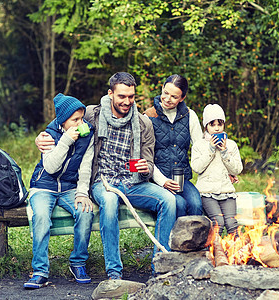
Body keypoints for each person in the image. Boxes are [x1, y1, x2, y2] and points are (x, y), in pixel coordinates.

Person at [36, 72, 177, 280]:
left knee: (169, 200)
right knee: (109, 201)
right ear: (110, 93)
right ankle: (114, 272)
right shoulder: (93, 113)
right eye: (121, 96)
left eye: (131, 96)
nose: (127, 101)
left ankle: (160, 267)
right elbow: (64, 119)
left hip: (132, 182)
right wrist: (42, 137)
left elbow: (148, 159)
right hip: (102, 182)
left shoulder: (143, 123)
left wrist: (144, 167)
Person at [24, 93, 95, 289]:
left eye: (81, 118)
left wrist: (82, 192)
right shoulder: (49, 135)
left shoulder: (87, 134)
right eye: (75, 120)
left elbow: (86, 166)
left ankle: (78, 262)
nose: (80, 123)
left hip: (69, 187)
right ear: (63, 121)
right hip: (43, 186)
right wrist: (65, 141)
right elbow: (51, 168)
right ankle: (40, 271)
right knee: (40, 217)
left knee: (85, 212)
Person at [144, 74, 203, 218]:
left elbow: (201, 148)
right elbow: (145, 156)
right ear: (162, 88)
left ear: (182, 98)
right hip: (158, 180)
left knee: (196, 204)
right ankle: (176, 240)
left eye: (174, 97)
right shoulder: (148, 117)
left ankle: (195, 240)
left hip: (182, 179)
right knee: (179, 204)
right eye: (165, 93)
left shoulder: (190, 115)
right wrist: (162, 181)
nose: (167, 99)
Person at [191, 104, 243, 236]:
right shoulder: (199, 145)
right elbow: (197, 168)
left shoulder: (231, 145)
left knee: (232, 224)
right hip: (206, 192)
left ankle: (235, 254)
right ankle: (214, 253)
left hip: (226, 191)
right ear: (206, 126)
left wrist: (225, 152)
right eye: (212, 124)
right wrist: (211, 149)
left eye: (220, 124)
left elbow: (237, 169)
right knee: (218, 222)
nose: (216, 128)